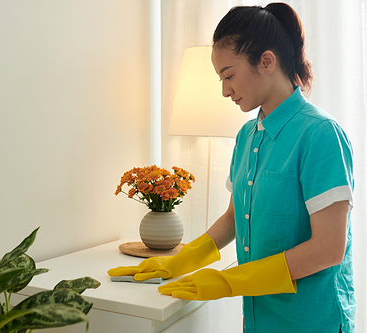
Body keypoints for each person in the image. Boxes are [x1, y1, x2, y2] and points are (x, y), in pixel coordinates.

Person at [108, 3, 355, 332]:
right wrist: (179, 262)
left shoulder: (320, 135)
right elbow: (235, 216)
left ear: (266, 61)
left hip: (311, 320)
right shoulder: (247, 136)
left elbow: (328, 249)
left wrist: (229, 281)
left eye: (229, 75)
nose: (224, 90)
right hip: (258, 317)